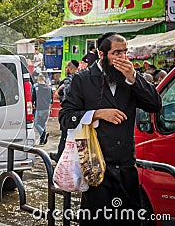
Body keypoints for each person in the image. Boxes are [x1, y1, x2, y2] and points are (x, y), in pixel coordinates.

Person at [59, 32, 161, 225]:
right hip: (96, 166)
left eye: (125, 52)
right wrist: (96, 113)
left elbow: (155, 105)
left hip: (126, 167)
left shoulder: (129, 79)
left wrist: (133, 77)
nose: (122, 58)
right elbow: (65, 118)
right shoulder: (82, 80)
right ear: (102, 54)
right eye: (116, 53)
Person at [50, 60, 79, 162]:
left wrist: (58, 92)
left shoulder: (66, 81)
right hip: (80, 114)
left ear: (70, 69)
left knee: (64, 137)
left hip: (68, 113)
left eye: (67, 67)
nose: (66, 69)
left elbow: (58, 95)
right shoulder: (81, 79)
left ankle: (59, 157)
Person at [32, 74, 53, 144]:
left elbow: (33, 98)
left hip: (39, 108)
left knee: (36, 123)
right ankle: (42, 141)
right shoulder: (49, 88)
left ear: (38, 80)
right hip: (47, 109)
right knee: (43, 124)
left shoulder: (36, 87)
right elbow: (51, 100)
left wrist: (33, 104)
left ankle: (43, 133)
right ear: (44, 80)